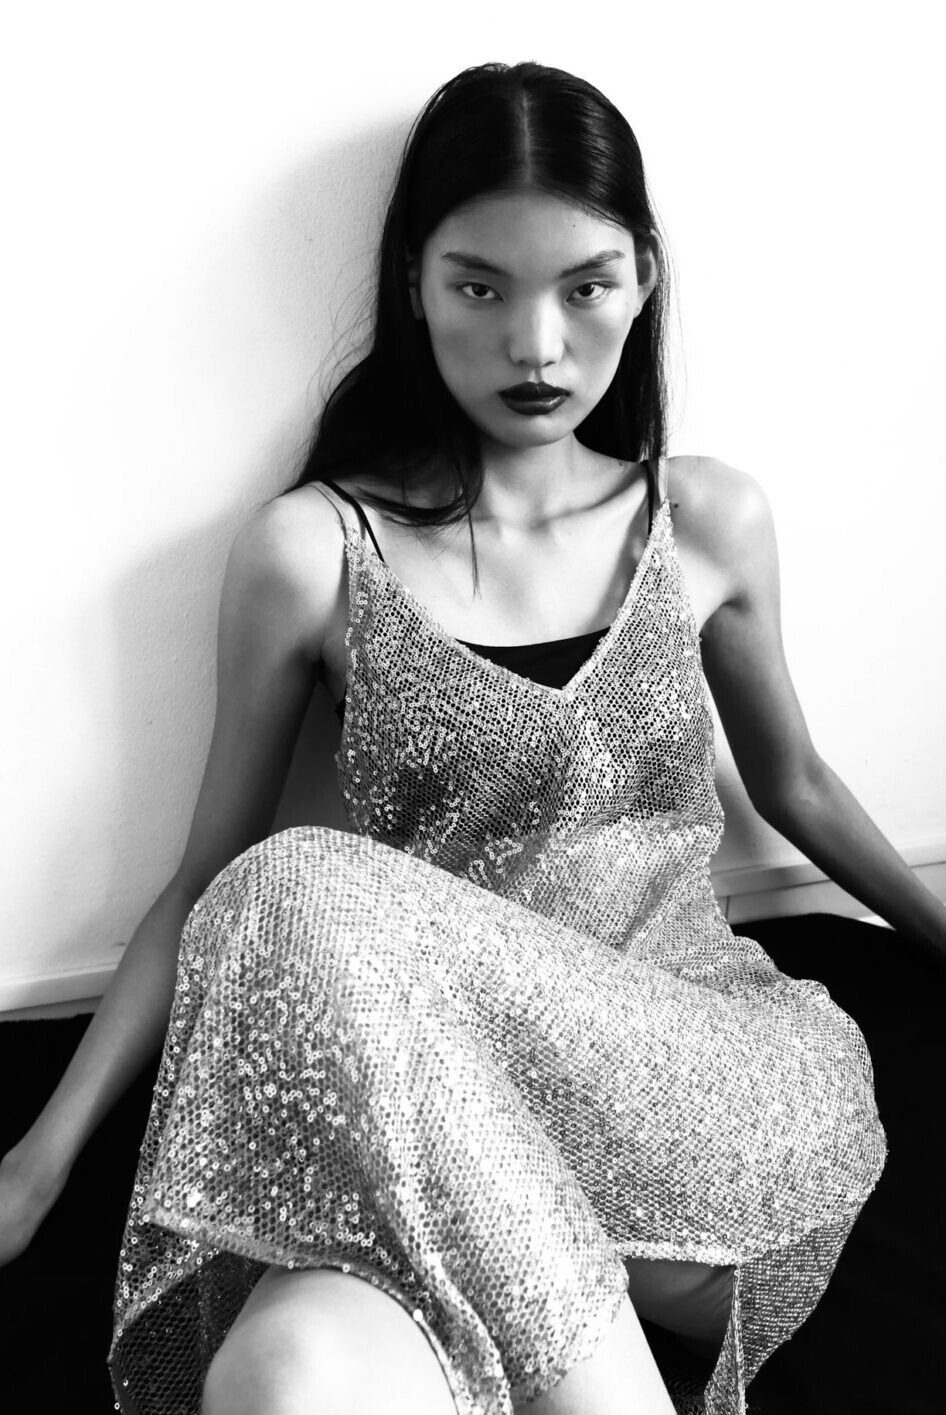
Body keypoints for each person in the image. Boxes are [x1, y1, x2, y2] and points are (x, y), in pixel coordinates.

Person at [1, 58, 942, 1415]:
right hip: (443, 1119)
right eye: (481, 288)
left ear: (645, 278)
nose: (537, 347)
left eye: (585, 287)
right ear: (415, 286)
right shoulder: (312, 553)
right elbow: (202, 875)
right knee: (279, 1376)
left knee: (293, 879)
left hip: (704, 1097)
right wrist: (35, 1168)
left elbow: (793, 783)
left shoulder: (706, 519)